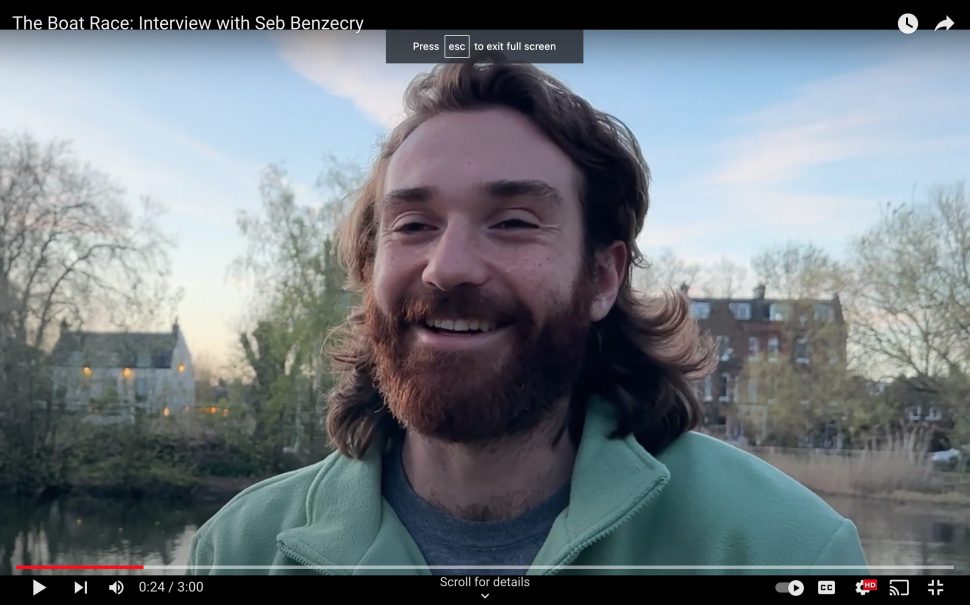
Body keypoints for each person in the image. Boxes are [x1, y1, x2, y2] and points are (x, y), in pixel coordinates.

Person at [189, 59, 867, 576]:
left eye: (513, 221)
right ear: (370, 269)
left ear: (603, 276)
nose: (447, 267)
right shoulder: (239, 549)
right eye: (414, 223)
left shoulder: (786, 550)